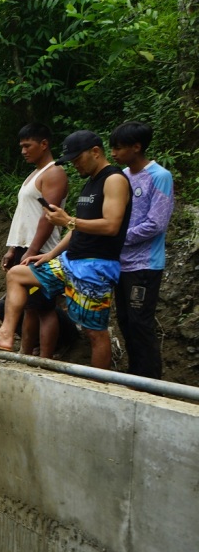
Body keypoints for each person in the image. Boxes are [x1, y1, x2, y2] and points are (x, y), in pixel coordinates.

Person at [0, 130, 132, 370]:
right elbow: (76, 229)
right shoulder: (91, 182)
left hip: (95, 266)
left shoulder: (114, 179)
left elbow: (111, 225)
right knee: (17, 274)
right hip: (69, 260)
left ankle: (100, 383)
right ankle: (5, 334)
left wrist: (68, 221)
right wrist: (49, 254)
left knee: (94, 332)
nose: (75, 165)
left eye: (78, 159)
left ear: (95, 152)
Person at [110, 121, 175, 379]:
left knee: (140, 322)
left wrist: (118, 238)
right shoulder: (122, 177)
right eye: (112, 147)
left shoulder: (159, 176)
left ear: (137, 147)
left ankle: (150, 381)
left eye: (119, 147)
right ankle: (135, 375)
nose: (113, 153)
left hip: (145, 265)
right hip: (121, 264)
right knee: (125, 320)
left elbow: (156, 223)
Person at [0, 123, 69, 357]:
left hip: (41, 250)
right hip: (26, 247)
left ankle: (45, 359)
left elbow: (47, 218)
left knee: (45, 309)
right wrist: (13, 249)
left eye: (27, 146)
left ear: (44, 144)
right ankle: (25, 353)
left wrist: (33, 250)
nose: (23, 151)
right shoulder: (34, 174)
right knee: (30, 307)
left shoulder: (54, 173)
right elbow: (24, 215)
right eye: (21, 146)